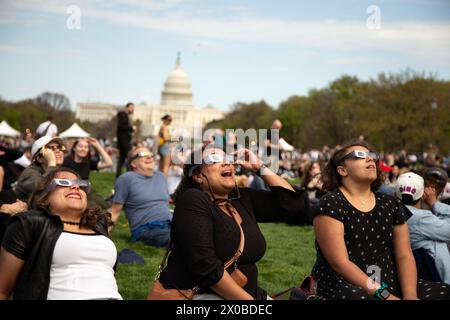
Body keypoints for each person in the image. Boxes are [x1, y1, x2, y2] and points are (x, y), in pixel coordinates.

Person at [155, 144, 311, 300]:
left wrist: (260, 167)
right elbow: (206, 267)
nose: (226, 163)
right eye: (215, 158)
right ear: (197, 175)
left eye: (228, 159)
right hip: (202, 295)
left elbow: (293, 204)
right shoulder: (192, 200)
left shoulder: (241, 199)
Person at [310, 139, 450, 300]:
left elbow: (404, 255)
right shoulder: (331, 203)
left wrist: (410, 295)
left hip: (390, 283)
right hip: (346, 286)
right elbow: (340, 263)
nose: (370, 159)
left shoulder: (390, 204)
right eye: (359, 155)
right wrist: (386, 296)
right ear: (342, 170)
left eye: (371, 155)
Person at [0, 168, 122, 300]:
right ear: (45, 196)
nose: (75, 186)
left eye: (81, 184)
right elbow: (3, 289)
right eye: (64, 182)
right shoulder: (29, 223)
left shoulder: (98, 225)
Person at [110, 146, 172, 247]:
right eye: (142, 155)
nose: (149, 157)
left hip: (171, 224)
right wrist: (102, 236)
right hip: (146, 229)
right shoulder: (126, 179)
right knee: (180, 240)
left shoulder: (160, 177)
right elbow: (115, 210)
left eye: (150, 154)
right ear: (133, 163)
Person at [395, 171, 450, 284]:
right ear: (422, 194)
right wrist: (435, 203)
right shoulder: (421, 218)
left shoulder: (395, 211)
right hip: (440, 281)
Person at [63, 137, 113, 209]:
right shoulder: (65, 161)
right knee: (94, 208)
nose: (83, 149)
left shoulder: (88, 162)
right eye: (80, 146)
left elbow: (109, 163)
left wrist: (97, 146)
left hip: (86, 192)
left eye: (86, 147)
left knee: (106, 206)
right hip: (70, 192)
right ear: (74, 148)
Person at [14, 136, 66, 201]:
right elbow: (46, 190)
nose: (58, 150)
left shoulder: (61, 170)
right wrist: (51, 162)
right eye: (51, 148)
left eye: (59, 147)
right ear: (39, 158)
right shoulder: (29, 173)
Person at [115, 102, 134, 178]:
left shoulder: (125, 115)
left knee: (122, 159)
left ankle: (118, 174)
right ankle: (129, 173)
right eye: (132, 108)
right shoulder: (123, 114)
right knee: (129, 156)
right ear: (127, 107)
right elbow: (122, 126)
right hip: (124, 141)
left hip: (123, 140)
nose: (133, 110)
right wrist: (131, 128)